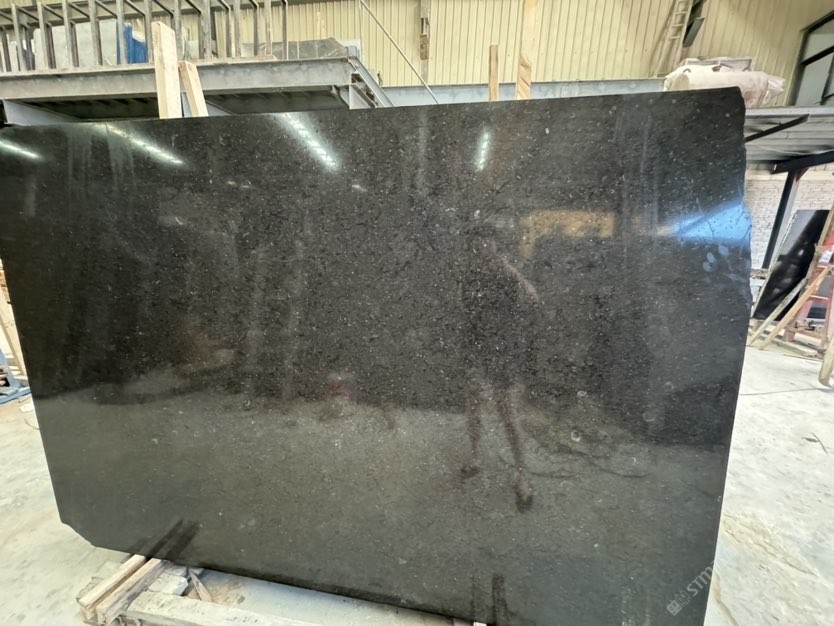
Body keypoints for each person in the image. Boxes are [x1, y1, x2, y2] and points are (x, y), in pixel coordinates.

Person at [459, 220, 540, 511]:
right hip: (476, 347)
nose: (481, 245)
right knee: (473, 406)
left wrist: (507, 268)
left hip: (502, 349)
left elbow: (532, 297)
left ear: (496, 244)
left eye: (487, 240)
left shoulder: (506, 272)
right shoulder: (469, 274)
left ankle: (522, 475)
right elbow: (464, 308)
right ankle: (475, 457)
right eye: (477, 241)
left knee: (507, 413)